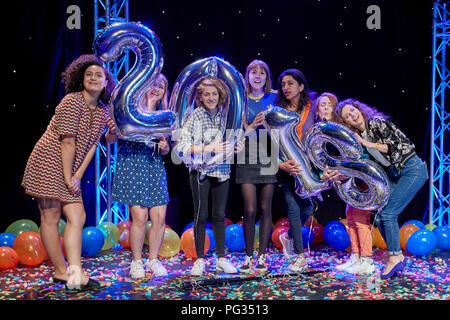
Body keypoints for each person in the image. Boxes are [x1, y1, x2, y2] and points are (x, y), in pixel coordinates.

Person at [21, 54, 117, 289]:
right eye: (89, 74)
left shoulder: (104, 109)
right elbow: (67, 143)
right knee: (51, 216)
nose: (94, 78)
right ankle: (62, 272)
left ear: (106, 82)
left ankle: (75, 271)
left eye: (99, 75)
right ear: (80, 78)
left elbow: (94, 145)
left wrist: (77, 175)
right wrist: (68, 176)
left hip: (70, 165)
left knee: (78, 217)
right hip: (49, 159)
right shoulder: (72, 101)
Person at [335, 98, 428, 279]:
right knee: (379, 217)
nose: (352, 115)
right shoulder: (360, 137)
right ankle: (398, 256)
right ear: (346, 122)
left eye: (352, 110)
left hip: (412, 169)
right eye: (347, 116)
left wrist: (367, 144)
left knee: (388, 214)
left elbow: (397, 148)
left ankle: (394, 257)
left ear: (359, 109)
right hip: (395, 175)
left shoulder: (376, 123)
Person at [175, 77, 241, 276]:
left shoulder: (227, 116)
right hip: (200, 171)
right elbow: (182, 146)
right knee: (200, 216)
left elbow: (235, 141)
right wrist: (209, 147)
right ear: (200, 97)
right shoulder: (195, 116)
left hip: (221, 171)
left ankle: (221, 259)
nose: (211, 97)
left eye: (214, 94)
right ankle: (200, 260)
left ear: (220, 96)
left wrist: (236, 146)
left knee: (219, 216)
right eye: (206, 94)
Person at [110, 74, 171, 278]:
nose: (156, 89)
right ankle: (137, 262)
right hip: (133, 161)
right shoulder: (131, 109)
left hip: (153, 164)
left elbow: (165, 148)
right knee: (140, 216)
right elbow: (111, 137)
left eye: (160, 86)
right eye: (152, 84)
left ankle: (153, 260)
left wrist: (164, 146)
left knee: (160, 216)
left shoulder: (164, 114)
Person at [315, 93, 375, 274]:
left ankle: (367, 259)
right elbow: (322, 160)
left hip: (360, 178)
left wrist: (346, 170)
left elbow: (360, 154)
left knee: (360, 217)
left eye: (329, 105)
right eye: (321, 105)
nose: (325, 108)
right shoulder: (321, 132)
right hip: (346, 182)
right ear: (317, 111)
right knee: (350, 215)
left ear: (335, 109)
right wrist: (323, 173)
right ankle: (356, 256)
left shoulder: (344, 129)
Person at [236, 60, 277, 274]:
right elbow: (238, 130)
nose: (258, 76)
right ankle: (248, 256)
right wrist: (251, 126)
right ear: (248, 75)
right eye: (253, 71)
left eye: (262, 72)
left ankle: (262, 256)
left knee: (264, 208)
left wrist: (270, 125)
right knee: (250, 209)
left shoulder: (274, 97)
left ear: (266, 77)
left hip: (268, 154)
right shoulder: (241, 98)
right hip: (246, 155)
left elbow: (283, 124)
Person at [274, 69, 317, 273]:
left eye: (290, 83)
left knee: (307, 210)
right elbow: (270, 142)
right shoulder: (278, 111)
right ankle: (300, 257)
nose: (286, 87)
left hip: (308, 170)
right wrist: (280, 164)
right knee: (293, 208)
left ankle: (289, 236)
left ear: (301, 86)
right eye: (283, 84)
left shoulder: (312, 107)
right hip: (287, 168)